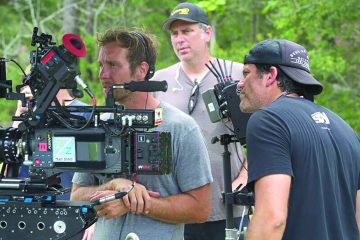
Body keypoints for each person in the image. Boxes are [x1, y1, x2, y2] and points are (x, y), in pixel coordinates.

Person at [70, 28, 213, 240]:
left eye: (113, 65)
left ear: (141, 70)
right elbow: (76, 195)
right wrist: (114, 185)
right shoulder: (98, 125)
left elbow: (200, 208)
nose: (103, 75)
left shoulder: (180, 128)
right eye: (101, 65)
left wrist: (132, 203)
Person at [237, 39, 360, 240]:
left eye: (246, 73)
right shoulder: (345, 129)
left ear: (271, 75)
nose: (240, 83)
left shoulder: (268, 121)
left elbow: (272, 218)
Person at [153, 2, 248, 239]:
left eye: (187, 31)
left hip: (226, 205)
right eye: (174, 33)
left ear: (207, 33)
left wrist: (246, 175)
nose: (179, 39)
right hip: (175, 206)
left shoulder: (238, 75)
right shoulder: (158, 82)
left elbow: (263, 133)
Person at [12, 82, 90, 200]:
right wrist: (20, 115)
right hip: (27, 204)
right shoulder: (31, 118)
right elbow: (10, 163)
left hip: (68, 204)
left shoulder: (84, 115)